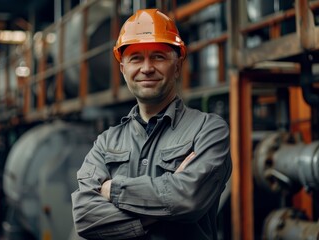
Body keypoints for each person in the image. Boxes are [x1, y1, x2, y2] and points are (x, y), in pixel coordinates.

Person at [71, 8, 232, 240]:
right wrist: (164, 209)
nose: (146, 68)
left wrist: (111, 189)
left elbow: (189, 199)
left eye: (158, 56)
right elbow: (84, 217)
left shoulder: (208, 130)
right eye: (136, 58)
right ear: (123, 70)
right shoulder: (106, 142)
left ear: (177, 66)